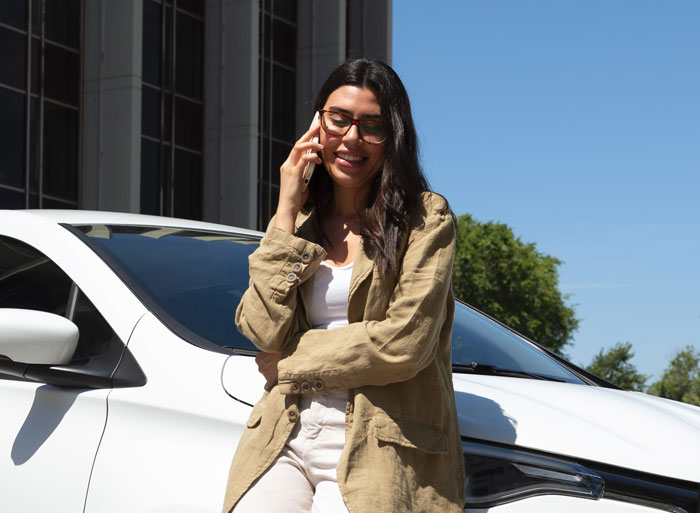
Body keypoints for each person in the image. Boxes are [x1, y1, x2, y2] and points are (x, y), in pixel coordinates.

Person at [222, 59, 465, 513]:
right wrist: (286, 208)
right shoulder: (303, 228)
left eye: (372, 126)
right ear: (318, 124)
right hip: (286, 431)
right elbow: (260, 331)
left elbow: (404, 343)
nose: (352, 138)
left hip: (380, 440)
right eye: (339, 119)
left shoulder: (425, 218)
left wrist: (289, 364)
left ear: (393, 138)